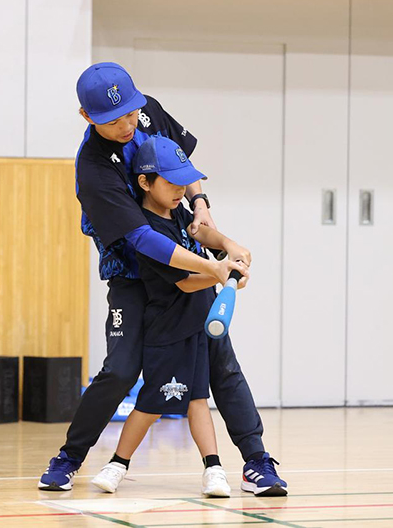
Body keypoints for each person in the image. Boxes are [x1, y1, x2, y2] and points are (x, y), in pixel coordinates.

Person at [38, 62, 288, 496]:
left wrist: (202, 205)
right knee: (120, 371)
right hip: (135, 276)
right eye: (113, 121)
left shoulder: (147, 111)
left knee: (221, 363)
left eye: (131, 114)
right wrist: (213, 268)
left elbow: (182, 164)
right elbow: (141, 238)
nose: (127, 125)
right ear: (86, 117)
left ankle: (256, 462)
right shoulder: (93, 169)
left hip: (186, 262)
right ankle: (70, 457)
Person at [92, 135, 241, 497]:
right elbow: (186, 282)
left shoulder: (178, 213)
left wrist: (230, 248)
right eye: (172, 183)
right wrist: (222, 273)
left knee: (198, 399)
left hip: (197, 324)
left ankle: (213, 469)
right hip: (167, 328)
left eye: (183, 184)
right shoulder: (146, 232)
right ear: (145, 182)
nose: (180, 191)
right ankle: (117, 464)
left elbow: (203, 232)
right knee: (153, 403)